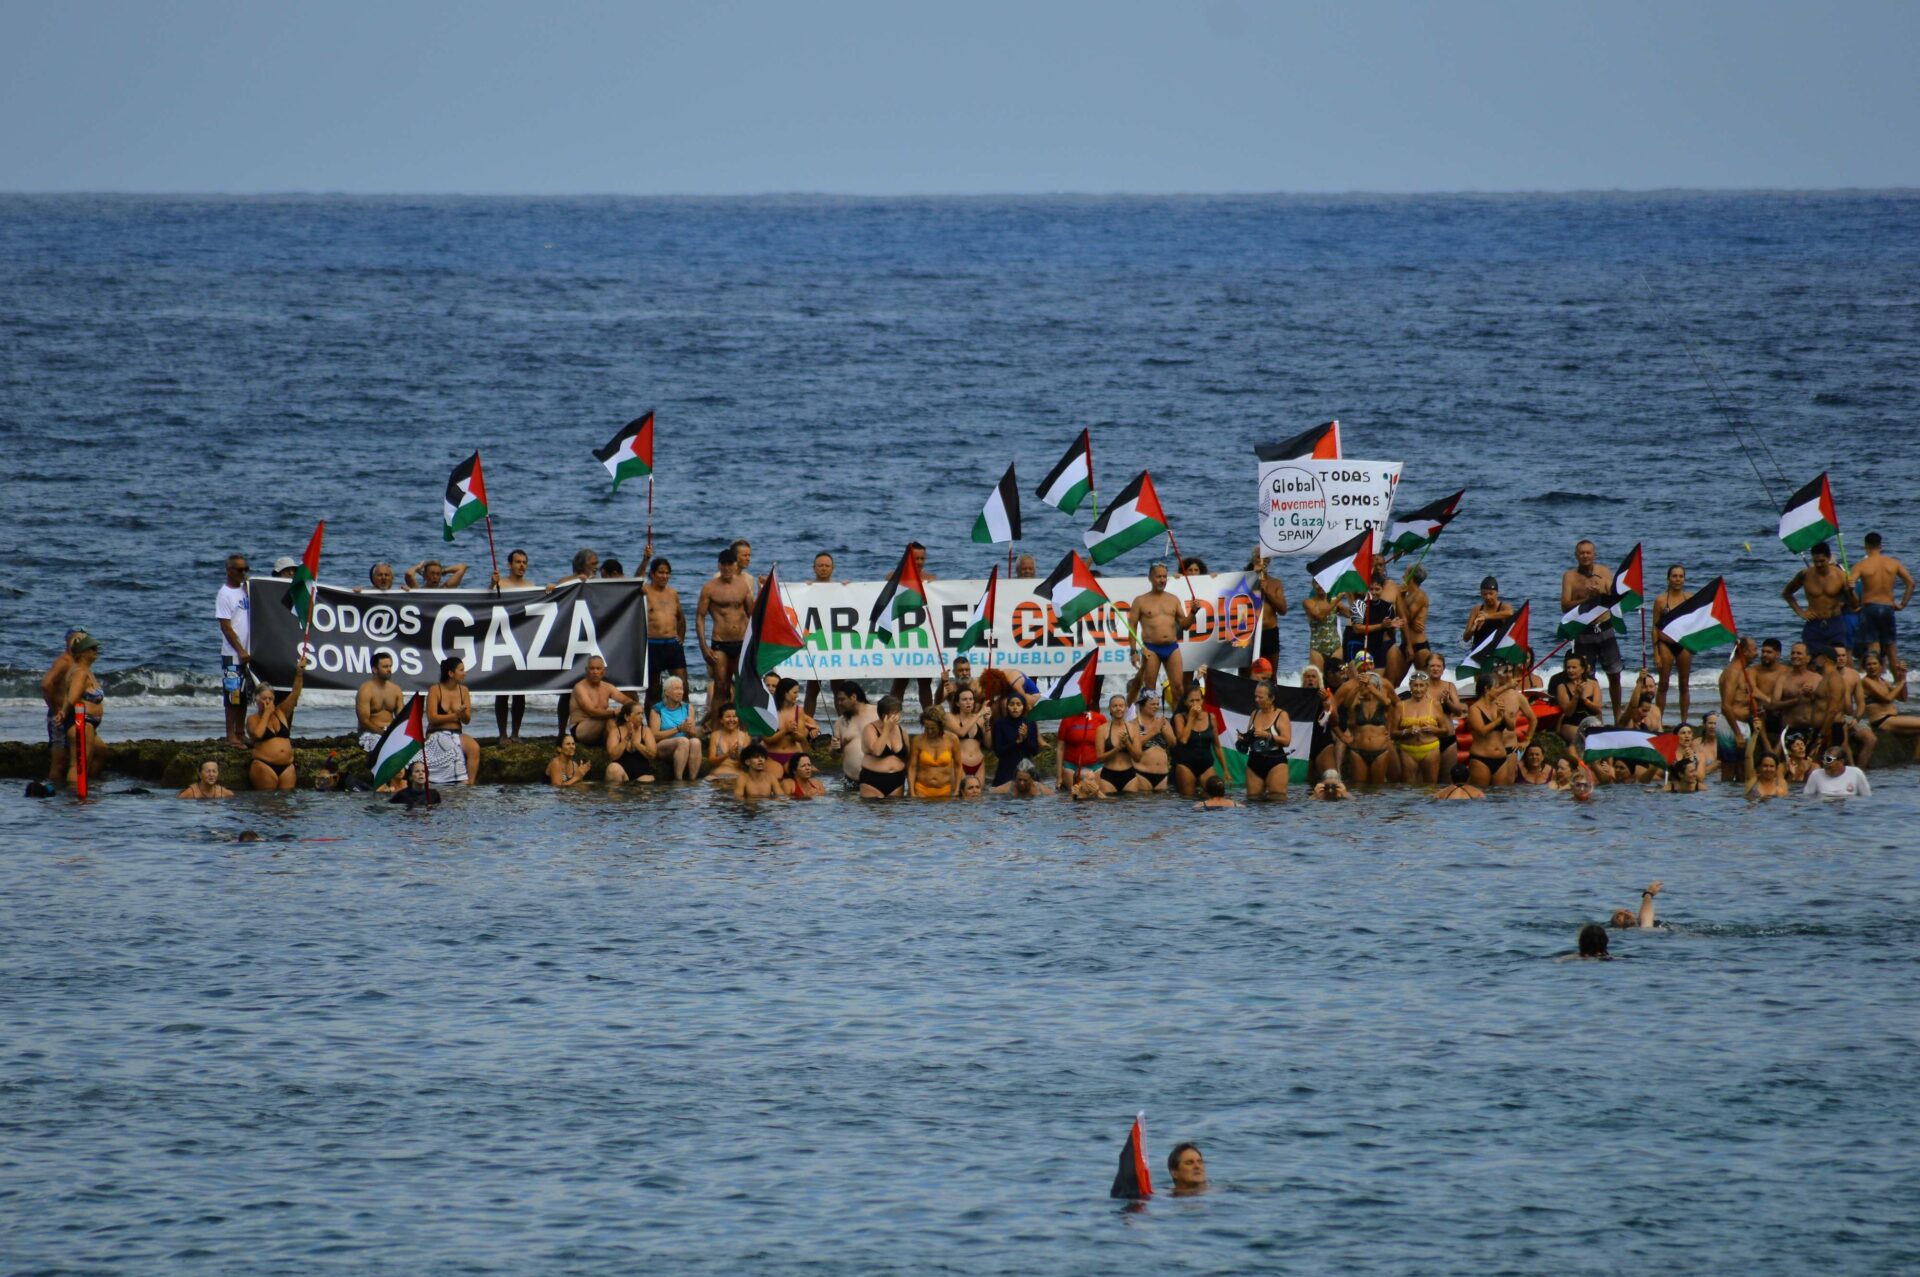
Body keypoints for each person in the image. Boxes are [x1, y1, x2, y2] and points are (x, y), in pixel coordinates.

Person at [1561, 541, 1623, 717]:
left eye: (1588, 552)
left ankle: (1617, 716)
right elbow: (1565, 606)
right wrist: (1587, 599)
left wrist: (1600, 593)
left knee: (1615, 674)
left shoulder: (1604, 572)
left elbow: (1615, 599)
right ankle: (1592, 716)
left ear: (1594, 554)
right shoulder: (1570, 577)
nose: (1585, 556)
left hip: (1605, 629)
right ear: (1576, 555)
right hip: (1584, 632)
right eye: (1582, 553)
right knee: (1586, 677)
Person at [697, 546, 754, 729]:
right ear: (719, 565)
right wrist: (704, 647)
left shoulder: (743, 585)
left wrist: (755, 643)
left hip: (741, 642)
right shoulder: (710, 588)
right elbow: (700, 617)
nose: (727, 568)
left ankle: (743, 730)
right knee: (721, 687)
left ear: (735, 565)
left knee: (742, 688)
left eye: (730, 564)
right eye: (724, 564)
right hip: (720, 643)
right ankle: (716, 730)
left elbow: (752, 614)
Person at [485, 548, 535, 740]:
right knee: (502, 690)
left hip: (522, 640)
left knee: (520, 691)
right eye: (518, 562)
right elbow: (485, 601)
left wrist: (550, 589)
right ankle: (502, 734)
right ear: (509, 565)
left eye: (524, 562)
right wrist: (492, 584)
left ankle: (515, 733)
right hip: (501, 639)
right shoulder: (501, 584)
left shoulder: (531, 586)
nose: (521, 565)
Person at [887, 542, 939, 716]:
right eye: (916, 558)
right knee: (900, 682)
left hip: (922, 633)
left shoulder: (930, 579)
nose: (919, 562)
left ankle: (930, 720)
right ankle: (892, 719)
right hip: (902, 634)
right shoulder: (893, 577)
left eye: (922, 558)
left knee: (925, 682)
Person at [1849, 532, 1913, 665]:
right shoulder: (1894, 563)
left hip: (1870, 607)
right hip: (1888, 607)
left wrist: (1856, 604)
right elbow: (1911, 583)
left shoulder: (1861, 565)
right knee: (1891, 648)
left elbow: (1850, 586)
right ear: (1880, 545)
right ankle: (1898, 677)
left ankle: (1875, 676)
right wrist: (1902, 604)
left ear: (1865, 546)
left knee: (1873, 647)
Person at [1781, 541, 1851, 660]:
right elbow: (1787, 593)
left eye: (1822, 561)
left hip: (1835, 622)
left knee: (1840, 658)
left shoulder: (1841, 575)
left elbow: (1854, 604)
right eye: (1815, 561)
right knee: (1810, 659)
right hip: (1814, 623)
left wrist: (1850, 591)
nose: (1818, 564)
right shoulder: (1805, 574)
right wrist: (1801, 612)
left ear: (1829, 558)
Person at [1339, 655, 1399, 785]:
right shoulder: (1357, 700)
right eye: (1364, 686)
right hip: (1358, 750)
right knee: (1359, 787)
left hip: (1380, 750)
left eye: (1367, 686)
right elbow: (1347, 704)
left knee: (1377, 788)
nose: (1365, 689)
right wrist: (1358, 686)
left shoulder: (1381, 700)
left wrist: (1371, 687)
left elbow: (1389, 703)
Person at [246, 659, 305, 791]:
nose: (267, 702)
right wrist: (267, 713)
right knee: (268, 799)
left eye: (270, 699)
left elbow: (295, 694)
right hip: (264, 764)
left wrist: (299, 673)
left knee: (285, 799)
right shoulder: (252, 719)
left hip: (287, 766)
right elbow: (257, 734)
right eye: (264, 699)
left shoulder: (281, 712)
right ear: (257, 700)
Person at [41, 629, 88, 787]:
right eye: (76, 640)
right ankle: (52, 791)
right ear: (68, 642)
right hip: (60, 715)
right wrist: (55, 708)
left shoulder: (77, 662)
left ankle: (69, 791)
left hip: (73, 716)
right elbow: (46, 684)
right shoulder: (64, 661)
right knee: (59, 761)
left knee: (73, 757)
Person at [569, 655, 640, 756]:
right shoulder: (580, 687)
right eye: (592, 668)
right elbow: (591, 712)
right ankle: (619, 750)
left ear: (603, 671)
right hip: (581, 729)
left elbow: (625, 700)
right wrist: (614, 713)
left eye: (598, 669)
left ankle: (627, 744)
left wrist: (632, 710)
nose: (595, 672)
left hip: (601, 729)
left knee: (629, 713)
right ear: (586, 670)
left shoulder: (607, 687)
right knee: (610, 716)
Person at [216, 553, 253, 748]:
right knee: (233, 696)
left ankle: (240, 732)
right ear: (229, 570)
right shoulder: (225, 594)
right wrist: (240, 650)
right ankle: (230, 735)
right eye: (239, 570)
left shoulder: (245, 590)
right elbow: (226, 627)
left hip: (248, 652)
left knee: (244, 695)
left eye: (246, 569)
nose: (243, 573)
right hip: (233, 654)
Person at [1650, 564, 1694, 721]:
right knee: (1663, 684)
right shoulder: (1661, 600)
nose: (1678, 579)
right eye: (1674, 576)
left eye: (1681, 576)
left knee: (1684, 684)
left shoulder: (1690, 599)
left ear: (1684, 579)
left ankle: (1684, 722)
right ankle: (1659, 721)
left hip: (1684, 644)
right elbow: (1655, 627)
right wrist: (1656, 653)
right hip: (1665, 644)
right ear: (1668, 579)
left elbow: (1696, 623)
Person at [426, 656, 478, 785]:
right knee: (454, 750)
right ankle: (459, 781)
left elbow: (467, 720)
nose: (464, 673)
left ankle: (470, 784)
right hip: (437, 733)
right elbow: (432, 718)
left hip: (456, 733)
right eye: (461, 670)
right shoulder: (435, 690)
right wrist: (455, 715)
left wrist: (462, 714)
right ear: (450, 673)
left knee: (474, 748)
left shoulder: (464, 691)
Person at [801, 551, 840, 719]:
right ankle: (806, 725)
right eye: (820, 566)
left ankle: (843, 725)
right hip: (816, 641)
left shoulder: (840, 588)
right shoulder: (806, 588)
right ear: (814, 568)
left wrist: (849, 589)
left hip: (835, 641)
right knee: (812, 687)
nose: (823, 569)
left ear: (833, 568)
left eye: (827, 566)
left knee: (839, 688)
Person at [1861, 650, 1920, 761]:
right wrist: (1901, 682)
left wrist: (1903, 676)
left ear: (1881, 665)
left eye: (1874, 663)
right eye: (1868, 664)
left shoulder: (1883, 681)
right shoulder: (1866, 682)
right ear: (1864, 667)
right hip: (1882, 721)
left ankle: (1916, 761)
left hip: (1891, 719)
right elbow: (1887, 698)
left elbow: (1902, 698)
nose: (1872, 667)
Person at [1240, 680, 1293, 800]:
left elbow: (1286, 741)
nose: (1256, 700)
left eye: (1260, 697)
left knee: (1277, 798)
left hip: (1275, 760)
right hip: (1254, 760)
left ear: (1272, 698)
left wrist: (1268, 735)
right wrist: (1244, 739)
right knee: (1252, 799)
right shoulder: (1254, 714)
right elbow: (1250, 738)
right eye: (1255, 696)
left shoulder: (1281, 715)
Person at [1353, 568, 1405, 684]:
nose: (1374, 592)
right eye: (1371, 589)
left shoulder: (1388, 607)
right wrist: (1381, 626)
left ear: (1382, 589)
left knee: (1377, 683)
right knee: (1363, 684)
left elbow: (1389, 629)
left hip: (1380, 649)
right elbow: (1357, 629)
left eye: (1377, 589)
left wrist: (1391, 626)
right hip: (1362, 650)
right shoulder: (1359, 604)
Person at [1394, 670, 1446, 784]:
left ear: (1427, 687)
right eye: (1415, 685)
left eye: (1421, 685)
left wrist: (1433, 729)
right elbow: (1392, 733)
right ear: (1410, 686)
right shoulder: (1400, 706)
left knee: (1430, 786)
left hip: (1430, 749)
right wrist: (1406, 731)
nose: (1418, 689)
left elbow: (1445, 730)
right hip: (1407, 750)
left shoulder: (1435, 704)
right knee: (1408, 787)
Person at [650, 675, 703, 780]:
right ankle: (679, 780)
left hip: (684, 746)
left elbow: (693, 734)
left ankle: (693, 780)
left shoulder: (688, 707)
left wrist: (690, 729)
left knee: (696, 742)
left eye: (681, 689)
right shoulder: (657, 709)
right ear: (666, 692)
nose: (680, 692)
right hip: (663, 746)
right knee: (683, 741)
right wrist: (678, 729)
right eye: (676, 689)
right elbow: (654, 736)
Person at [1095, 693, 1146, 795]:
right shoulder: (1102, 729)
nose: (1118, 708)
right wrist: (1117, 749)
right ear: (1110, 709)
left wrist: (1127, 743)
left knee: (1130, 804)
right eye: (1115, 706)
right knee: (1109, 803)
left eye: (1121, 706)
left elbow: (1138, 757)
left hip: (1129, 775)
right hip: (1108, 776)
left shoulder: (1133, 728)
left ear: (1126, 708)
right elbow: (1100, 758)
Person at [859, 695, 910, 798]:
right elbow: (877, 751)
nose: (898, 716)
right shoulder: (870, 729)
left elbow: (908, 756)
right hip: (873, 781)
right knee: (875, 807)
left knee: (896, 807)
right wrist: (886, 729)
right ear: (884, 715)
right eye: (894, 713)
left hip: (897, 780)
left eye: (899, 712)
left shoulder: (902, 730)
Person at [1171, 685, 1218, 796]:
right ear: (1185, 702)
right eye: (1191, 701)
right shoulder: (1179, 717)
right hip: (1186, 765)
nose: (1195, 703)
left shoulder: (1211, 717)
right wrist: (1192, 717)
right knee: (1188, 799)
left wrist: (1226, 770)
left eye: (1198, 700)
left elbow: (1217, 746)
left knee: (1214, 795)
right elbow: (1183, 740)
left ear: (1202, 700)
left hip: (1206, 764)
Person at [355, 651, 405, 754]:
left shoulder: (396, 690)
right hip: (370, 733)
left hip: (390, 732)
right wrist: (382, 733)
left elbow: (401, 718)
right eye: (385, 667)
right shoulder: (365, 690)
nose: (389, 669)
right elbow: (364, 721)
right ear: (375, 669)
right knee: (383, 749)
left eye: (390, 666)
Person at [990, 689, 1041, 787]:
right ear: (1007, 706)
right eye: (1012, 704)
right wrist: (1017, 742)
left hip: (1025, 769)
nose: (1015, 708)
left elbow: (1035, 751)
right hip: (1005, 769)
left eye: (1018, 704)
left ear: (1023, 707)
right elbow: (998, 752)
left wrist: (1025, 738)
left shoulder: (1030, 723)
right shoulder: (1000, 724)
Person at [1056, 695, 1107, 792]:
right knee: (1074, 796)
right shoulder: (1067, 720)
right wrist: (1059, 776)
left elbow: (1107, 743)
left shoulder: (1100, 718)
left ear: (1090, 701)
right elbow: (1060, 748)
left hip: (1095, 765)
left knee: (1096, 796)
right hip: (1071, 766)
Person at [830, 683, 879, 784]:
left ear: (853, 697)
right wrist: (835, 749)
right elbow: (834, 756)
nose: (839, 703)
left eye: (842, 699)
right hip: (851, 782)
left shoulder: (878, 713)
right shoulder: (840, 722)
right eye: (838, 700)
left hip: (878, 779)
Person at [908, 705, 960, 799]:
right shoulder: (917, 741)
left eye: (933, 728)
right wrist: (912, 793)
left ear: (941, 726)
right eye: (926, 728)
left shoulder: (952, 739)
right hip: (921, 790)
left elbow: (958, 766)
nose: (929, 731)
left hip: (945, 790)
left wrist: (956, 791)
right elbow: (912, 768)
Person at [1132, 690, 1175, 791]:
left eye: (1157, 704)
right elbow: (1133, 746)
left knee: (1161, 801)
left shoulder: (1163, 722)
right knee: (1143, 800)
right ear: (1142, 705)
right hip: (1141, 773)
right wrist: (1153, 731)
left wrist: (1165, 732)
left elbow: (1173, 744)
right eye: (1152, 704)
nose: (1156, 707)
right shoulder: (1133, 724)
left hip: (1163, 773)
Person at [949, 687, 991, 785]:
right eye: (964, 699)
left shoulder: (980, 719)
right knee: (959, 792)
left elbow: (988, 744)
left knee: (978, 793)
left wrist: (987, 721)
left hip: (979, 763)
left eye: (971, 699)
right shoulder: (950, 717)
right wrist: (979, 714)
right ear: (957, 703)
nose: (968, 702)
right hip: (959, 763)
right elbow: (961, 732)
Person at [1303, 580, 1342, 671]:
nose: (1320, 586)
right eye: (1317, 583)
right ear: (1313, 584)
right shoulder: (1308, 602)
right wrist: (1337, 599)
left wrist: (1351, 596)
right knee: (1319, 677)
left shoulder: (1334, 602)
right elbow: (1319, 616)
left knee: (1337, 676)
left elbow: (1351, 614)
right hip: (1317, 648)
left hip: (1336, 646)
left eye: (1323, 583)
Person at [1804, 747, 1871, 798]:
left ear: (1841, 762)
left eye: (1828, 759)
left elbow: (1867, 798)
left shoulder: (1856, 773)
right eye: (1823, 759)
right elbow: (1807, 798)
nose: (1824, 763)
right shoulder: (1816, 775)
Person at [405, 558, 469, 589]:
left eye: (438, 574)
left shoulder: (444, 589)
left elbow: (463, 568)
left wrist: (443, 571)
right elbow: (409, 574)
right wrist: (418, 567)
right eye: (432, 573)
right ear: (425, 575)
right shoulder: (418, 589)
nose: (435, 577)